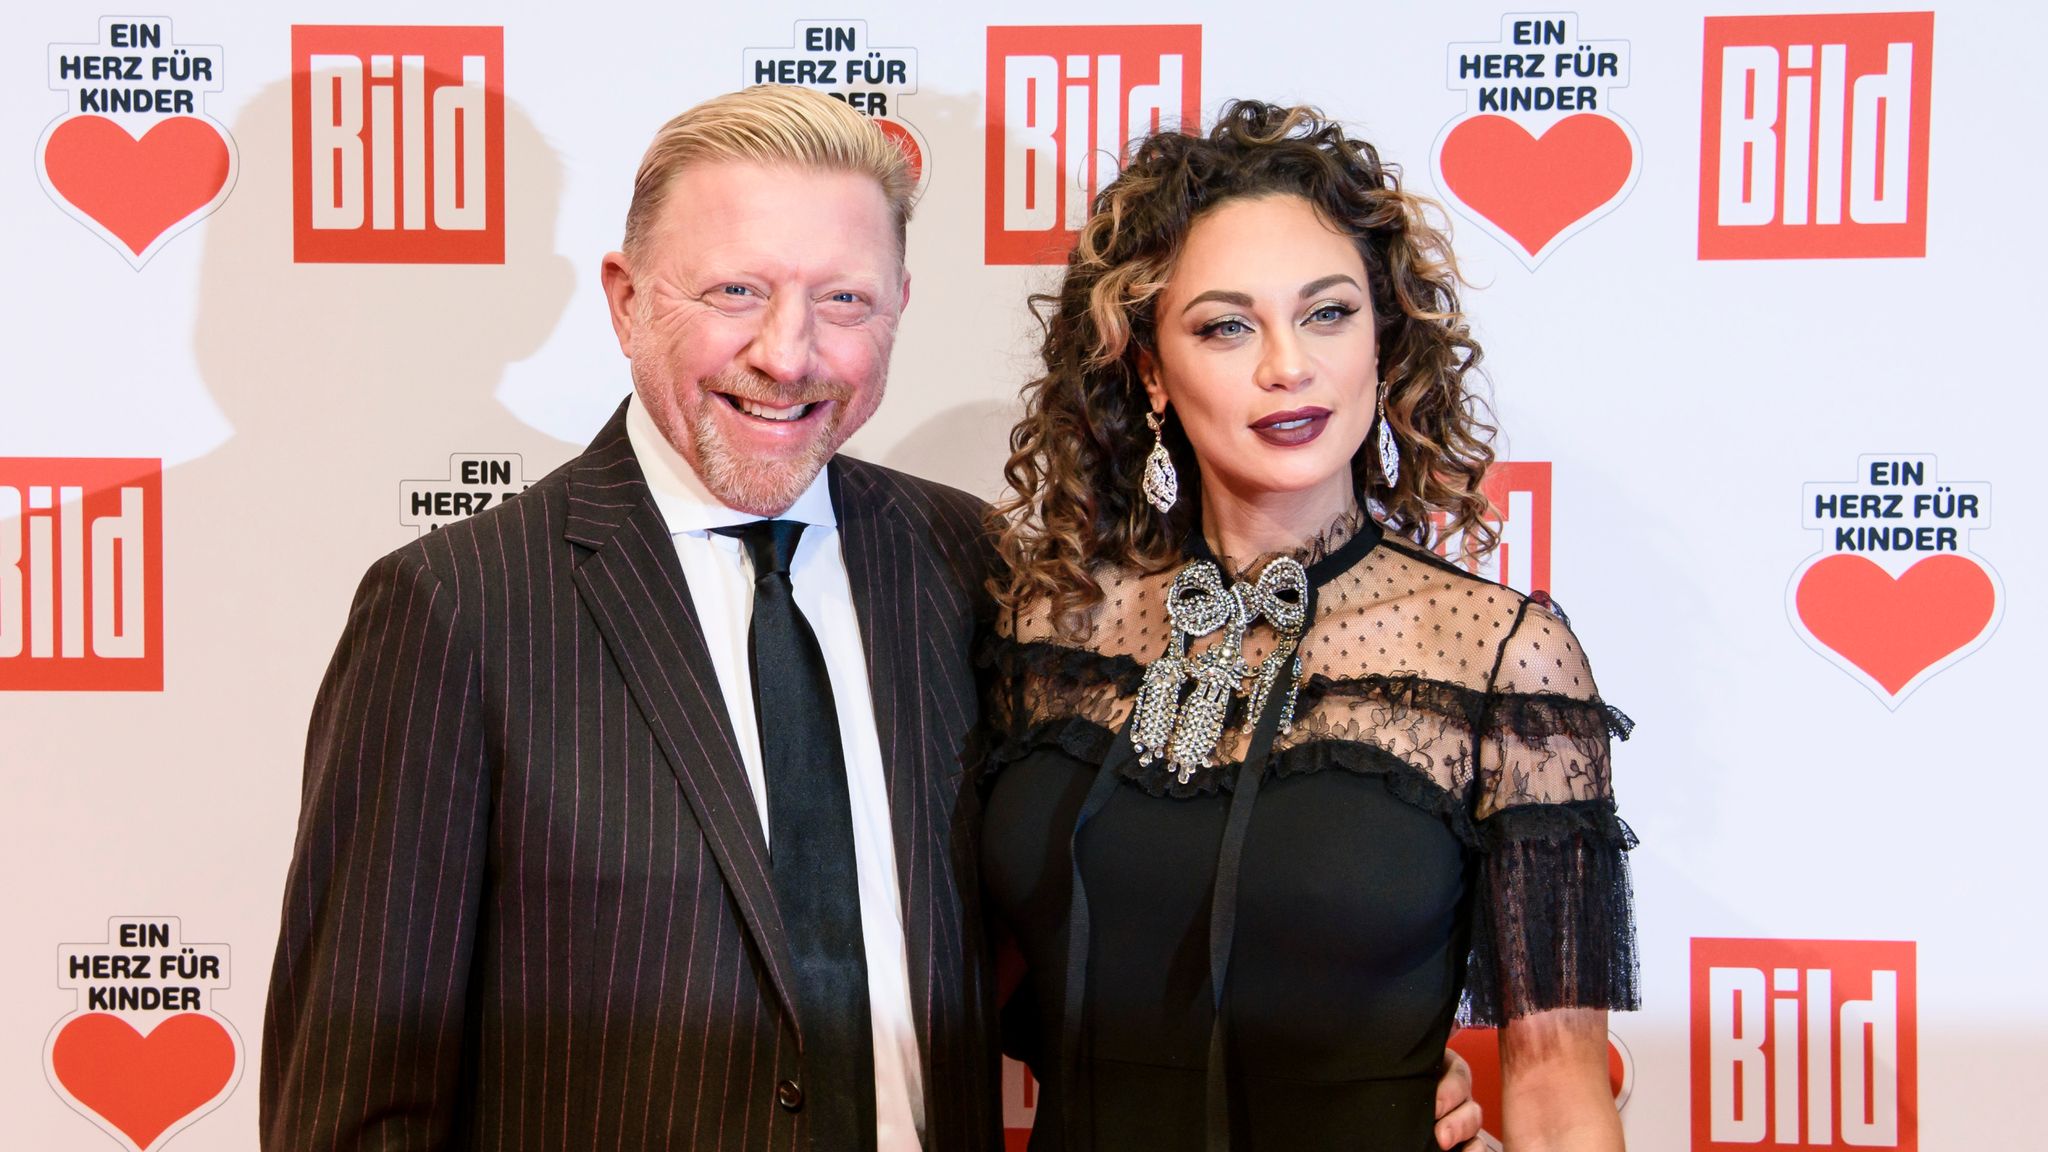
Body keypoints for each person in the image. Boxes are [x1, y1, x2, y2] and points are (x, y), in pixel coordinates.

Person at [260, 86, 1483, 1151]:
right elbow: (357, 1101)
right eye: (735, 290)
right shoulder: (458, 609)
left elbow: (1068, 943)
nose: (787, 353)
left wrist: (1331, 1073)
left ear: (898, 305)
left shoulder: (976, 569)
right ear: (628, 302)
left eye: (842, 299)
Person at [975, 101, 1638, 1151]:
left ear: (1383, 343)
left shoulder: (1500, 656)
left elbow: (1557, 1085)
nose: (1287, 365)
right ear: (1150, 370)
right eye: (1225, 326)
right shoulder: (1048, 622)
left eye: (1327, 313)